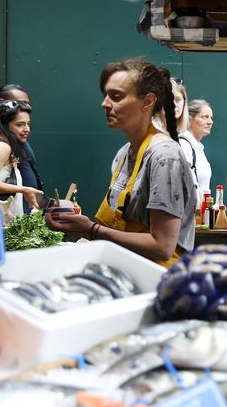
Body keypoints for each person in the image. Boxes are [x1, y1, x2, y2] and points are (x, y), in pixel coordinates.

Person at [47, 59, 197, 267]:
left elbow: (162, 246)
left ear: (148, 101)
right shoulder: (125, 153)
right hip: (127, 270)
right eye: (105, 95)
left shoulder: (165, 157)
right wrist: (76, 222)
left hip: (155, 281)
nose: (105, 104)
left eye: (116, 96)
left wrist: (90, 230)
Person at [0, 84, 42, 213]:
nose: (26, 128)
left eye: (28, 124)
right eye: (20, 124)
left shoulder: (17, 140)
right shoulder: (1, 143)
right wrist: (23, 189)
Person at [179, 99, 214, 203]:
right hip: (188, 214)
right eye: (205, 117)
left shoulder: (198, 148)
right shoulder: (184, 145)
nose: (210, 122)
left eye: (211, 118)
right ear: (190, 119)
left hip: (200, 213)